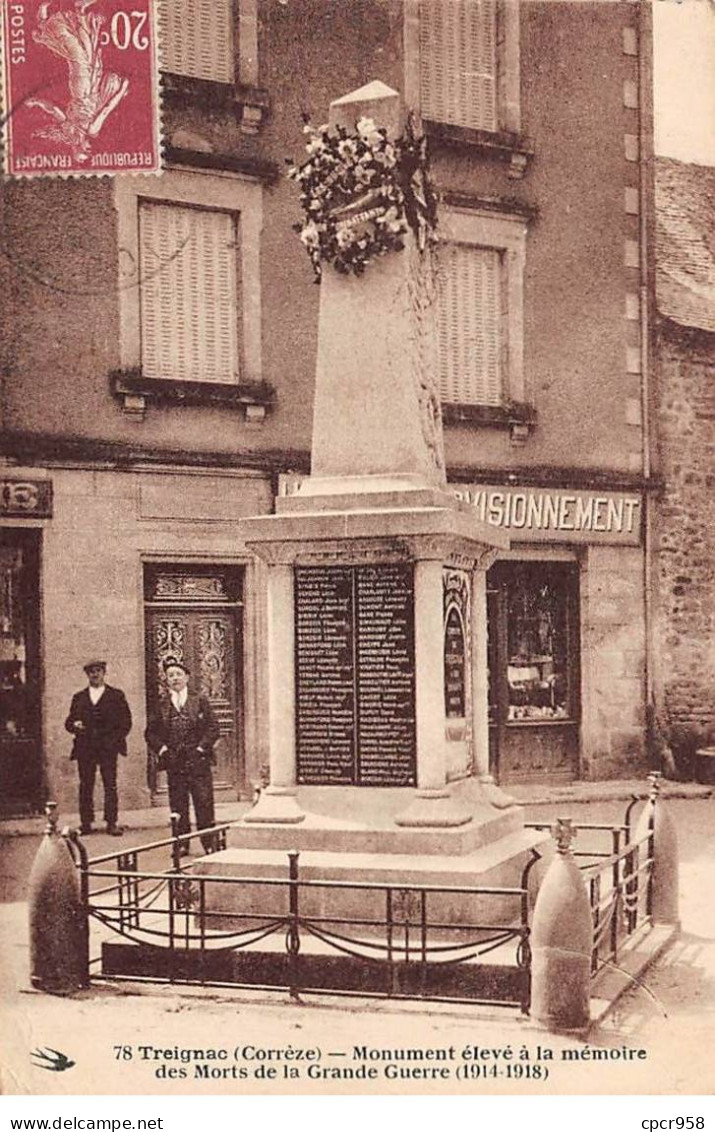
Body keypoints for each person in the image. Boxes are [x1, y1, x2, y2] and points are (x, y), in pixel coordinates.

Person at [145, 658, 220, 855]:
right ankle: (181, 845)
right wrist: (162, 750)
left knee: (203, 803)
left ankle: (209, 844)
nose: (175, 678)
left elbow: (213, 727)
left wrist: (202, 749)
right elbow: (150, 733)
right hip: (174, 763)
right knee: (178, 805)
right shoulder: (161, 704)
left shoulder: (200, 700)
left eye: (178, 674)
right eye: (170, 675)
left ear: (186, 677)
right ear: (166, 680)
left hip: (198, 761)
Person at [65, 660, 132, 836]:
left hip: (108, 748)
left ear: (104, 673)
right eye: (91, 672)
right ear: (87, 675)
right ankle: (86, 823)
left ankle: (111, 822)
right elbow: (69, 722)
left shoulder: (116, 695)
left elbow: (126, 723)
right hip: (85, 748)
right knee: (86, 785)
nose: (95, 675)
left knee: (110, 784)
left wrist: (113, 740)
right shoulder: (79, 697)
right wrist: (75, 724)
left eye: (98, 671)